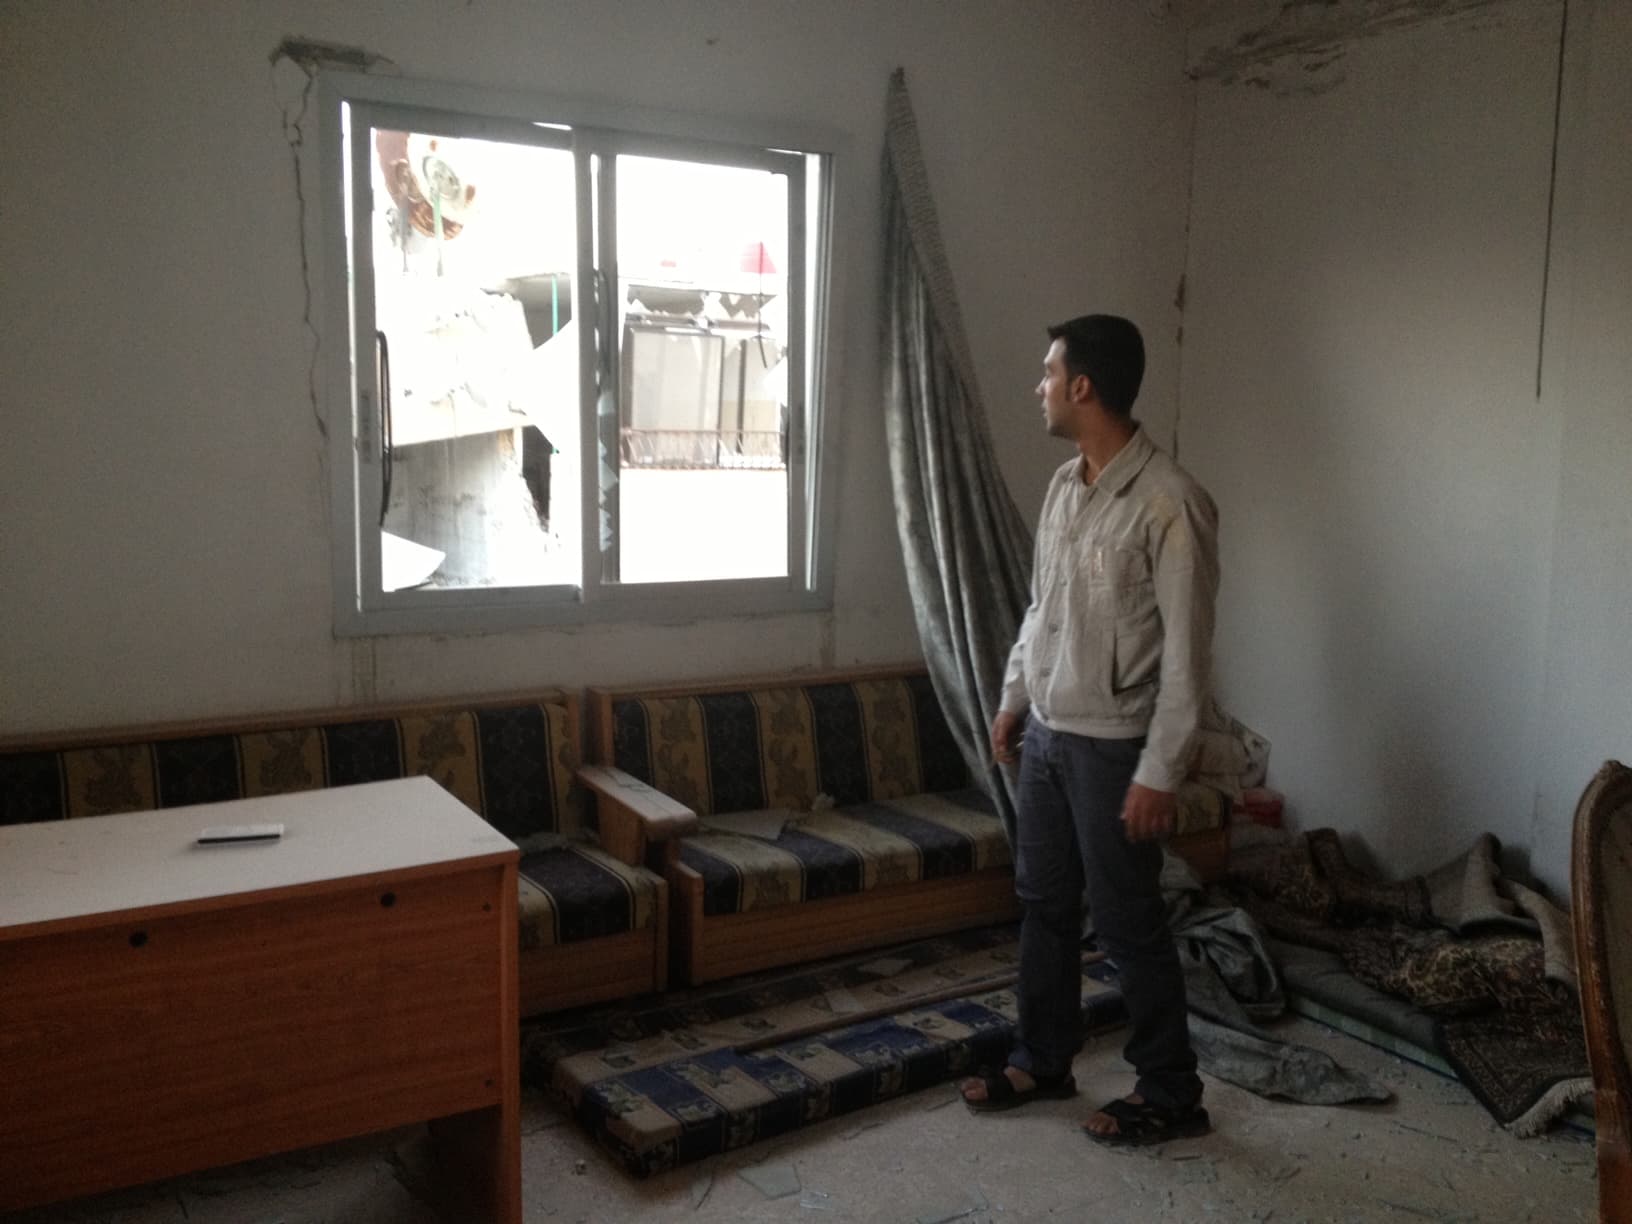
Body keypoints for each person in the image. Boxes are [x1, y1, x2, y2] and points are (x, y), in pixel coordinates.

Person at [959, 314, 1219, 1146]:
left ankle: (1172, 1091)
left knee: (1129, 920)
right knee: (1043, 907)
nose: (1037, 387)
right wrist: (1012, 701)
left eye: (1047, 374)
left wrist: (1160, 771)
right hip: (1047, 739)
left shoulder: (1172, 503)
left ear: (1082, 387)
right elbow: (1043, 611)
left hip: (1114, 749)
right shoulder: (1065, 487)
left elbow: (1188, 657)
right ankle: (1044, 1058)